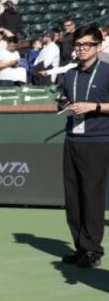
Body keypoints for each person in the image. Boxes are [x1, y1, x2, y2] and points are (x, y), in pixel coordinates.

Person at [58, 25, 109, 268]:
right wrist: (65, 103)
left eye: (86, 45)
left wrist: (94, 107)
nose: (81, 49)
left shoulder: (107, 72)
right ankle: (80, 247)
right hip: (72, 139)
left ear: (98, 46)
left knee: (91, 195)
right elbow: (64, 99)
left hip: (98, 141)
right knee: (73, 197)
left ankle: (93, 250)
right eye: (78, 45)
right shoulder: (69, 74)